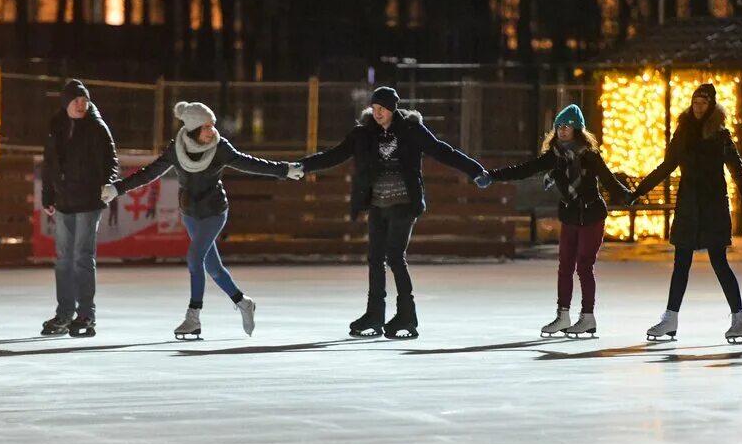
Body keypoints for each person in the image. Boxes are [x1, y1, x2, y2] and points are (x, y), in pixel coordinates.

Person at [101, 102, 303, 340]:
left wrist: (284, 170)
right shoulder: (176, 149)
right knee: (214, 268)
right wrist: (118, 188)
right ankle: (243, 302)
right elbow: (149, 173)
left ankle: (193, 316)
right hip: (190, 213)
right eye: (206, 127)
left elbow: (250, 164)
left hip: (214, 211)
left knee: (195, 258)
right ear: (194, 129)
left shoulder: (219, 148)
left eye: (213, 125)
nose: (212, 131)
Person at [299, 87, 487, 340]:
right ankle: (374, 314)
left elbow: (442, 151)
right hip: (378, 204)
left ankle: (406, 316)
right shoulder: (363, 133)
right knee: (375, 259)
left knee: (395, 257)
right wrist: (302, 166)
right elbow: (335, 154)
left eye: (383, 109)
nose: (377, 113)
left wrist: (475, 170)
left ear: (392, 109)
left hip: (404, 203)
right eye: (374, 108)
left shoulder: (411, 130)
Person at [485, 104, 631, 338]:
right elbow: (526, 169)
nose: (563, 131)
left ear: (578, 130)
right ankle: (563, 315)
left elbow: (608, 179)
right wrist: (493, 176)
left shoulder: (589, 155)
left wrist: (625, 195)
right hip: (570, 215)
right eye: (560, 127)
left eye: (568, 127)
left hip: (592, 215)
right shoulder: (555, 156)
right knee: (565, 267)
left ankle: (588, 317)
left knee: (584, 266)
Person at [628, 83, 742, 344]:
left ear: (712, 105)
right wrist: (640, 189)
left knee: (719, 262)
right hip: (688, 206)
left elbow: (736, 167)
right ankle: (670, 318)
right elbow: (668, 165)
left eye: (704, 102)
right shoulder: (683, 132)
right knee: (681, 264)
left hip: (712, 206)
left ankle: (739, 319)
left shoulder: (720, 135)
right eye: (695, 101)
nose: (698, 107)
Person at [40, 79, 119, 338]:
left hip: (88, 200)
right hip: (64, 201)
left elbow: (111, 160)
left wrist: (107, 186)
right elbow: (49, 163)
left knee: (82, 257)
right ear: (66, 103)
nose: (81, 105)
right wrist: (48, 195)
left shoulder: (96, 127)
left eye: (84, 100)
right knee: (63, 259)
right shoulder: (57, 126)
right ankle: (64, 312)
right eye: (76, 101)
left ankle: (86, 312)